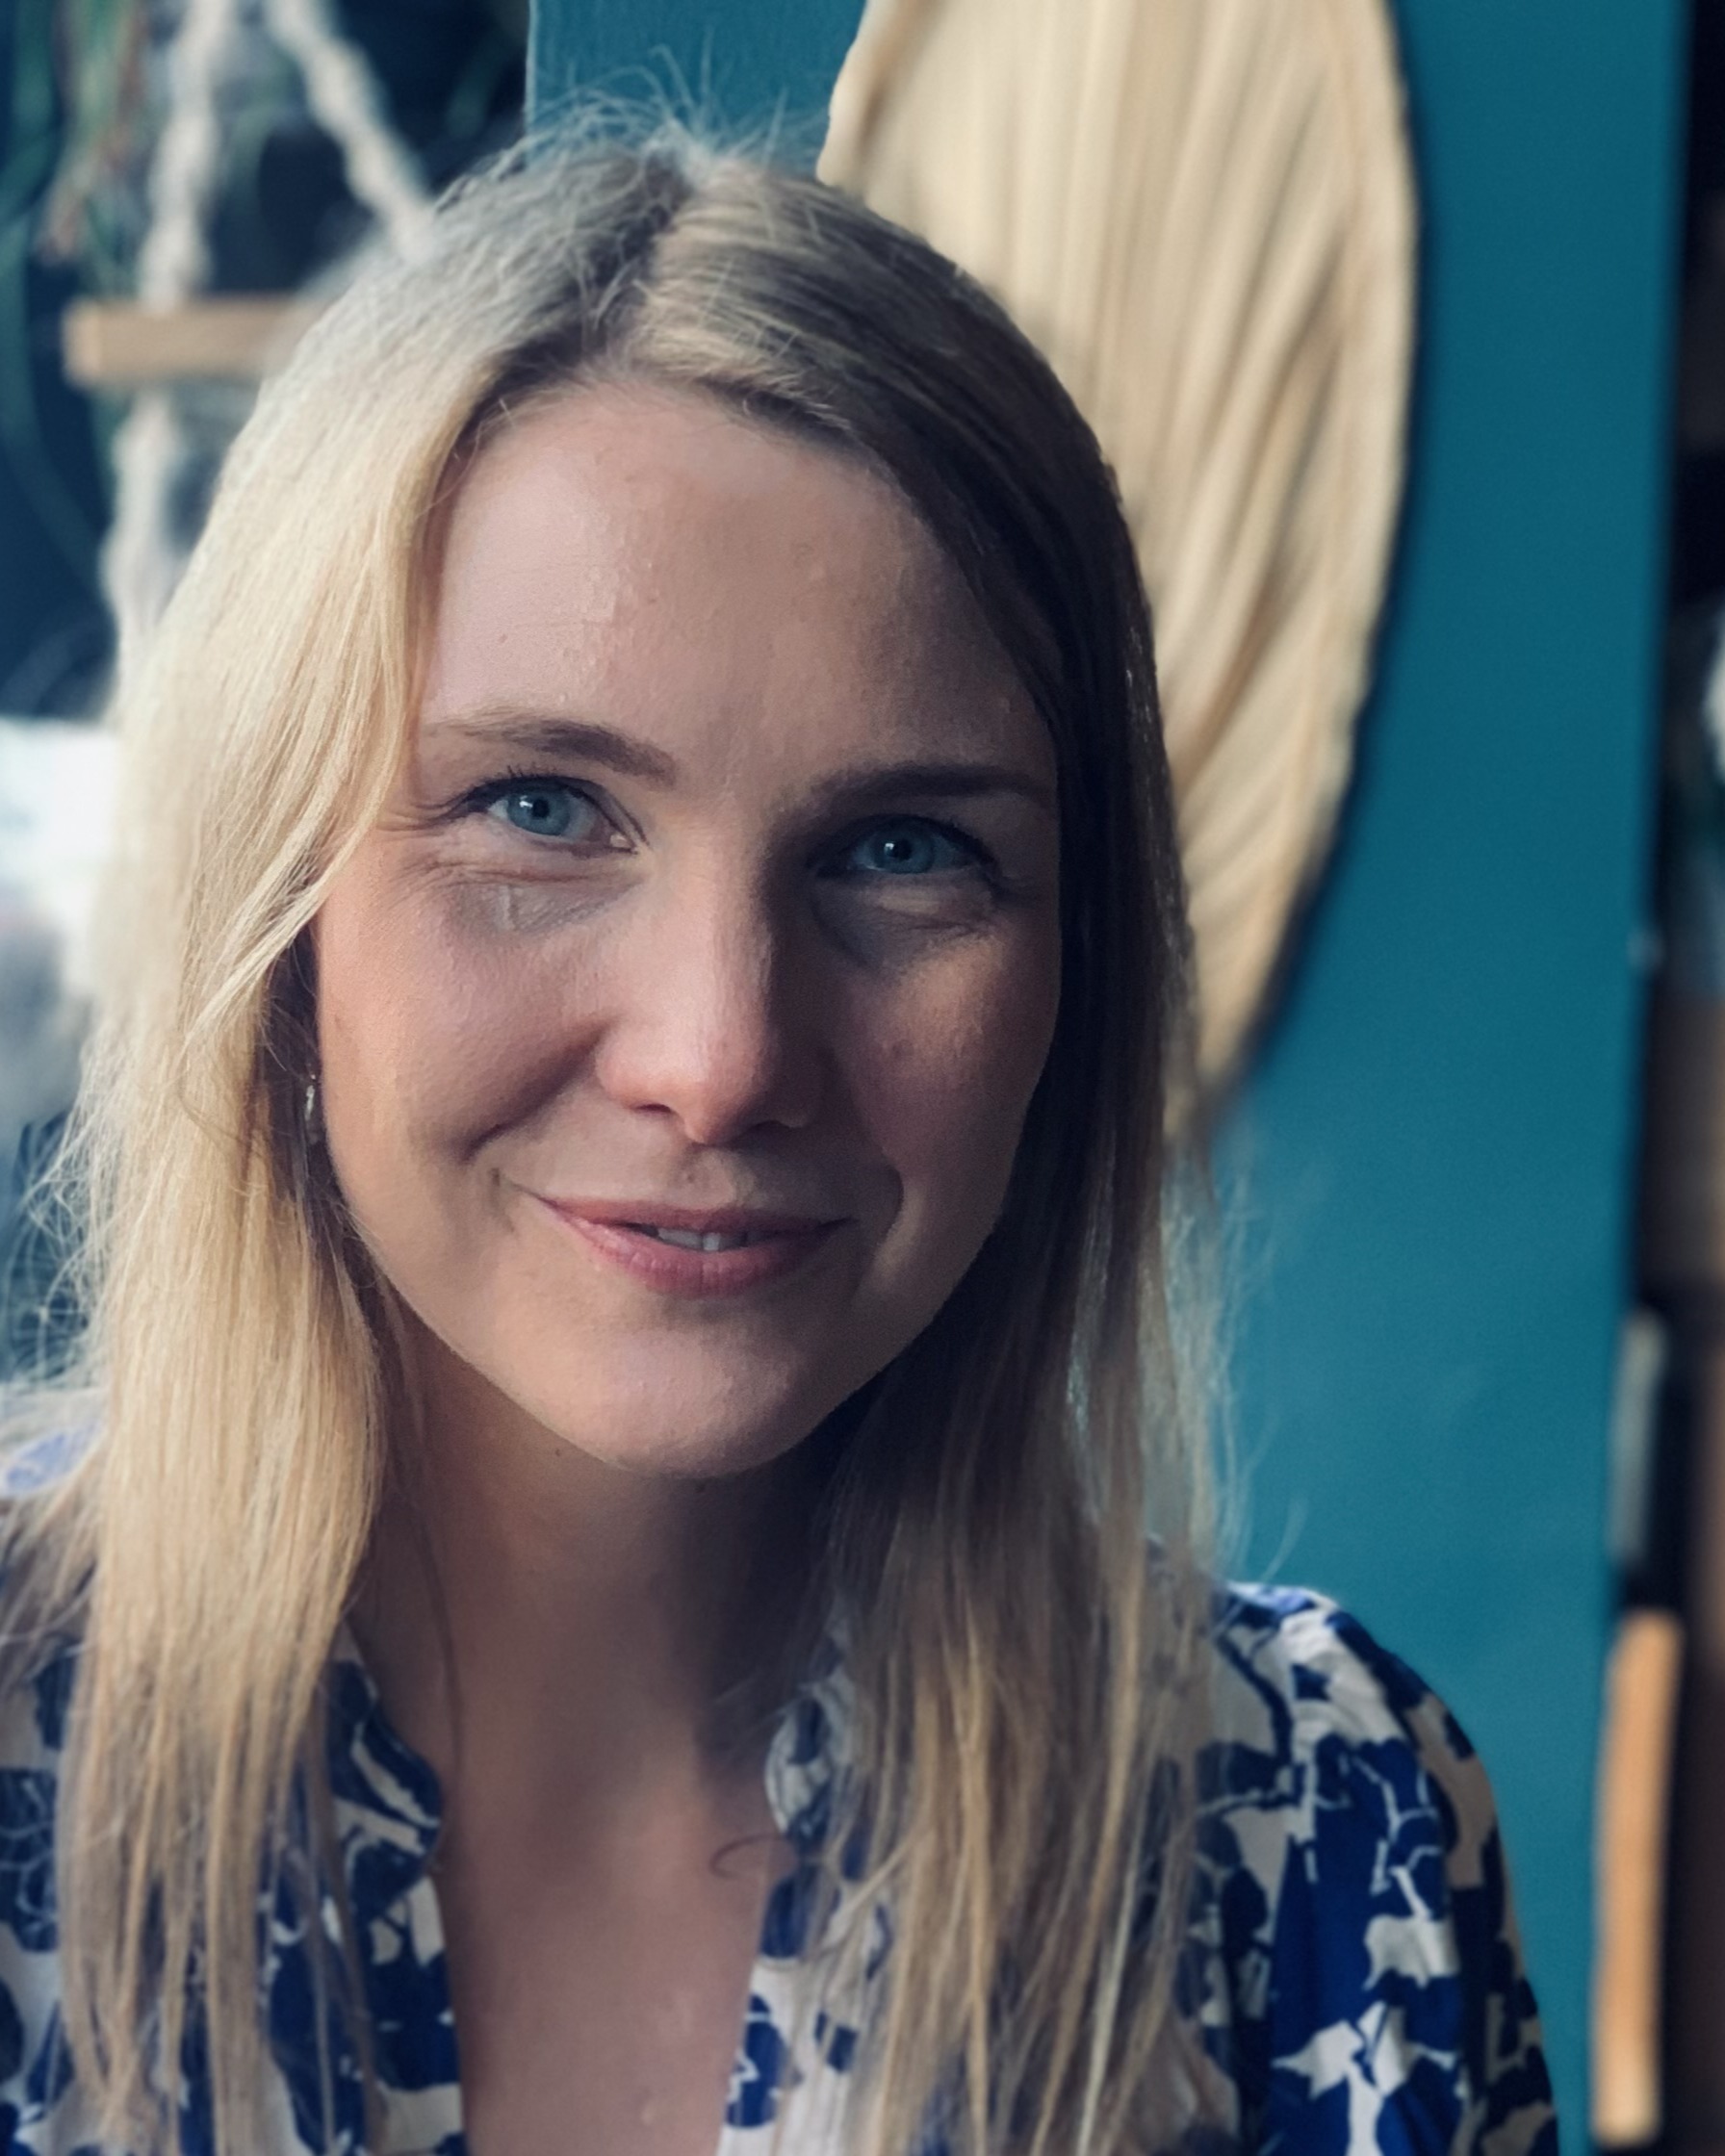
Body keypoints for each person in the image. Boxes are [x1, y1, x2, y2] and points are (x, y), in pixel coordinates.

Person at [0, 132, 1555, 2156]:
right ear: (278, 902)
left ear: (1073, 968)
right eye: (542, 811)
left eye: (901, 851)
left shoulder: (1317, 1847)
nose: (719, 1056)